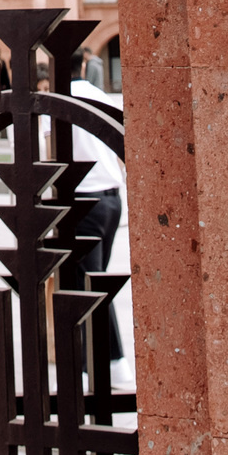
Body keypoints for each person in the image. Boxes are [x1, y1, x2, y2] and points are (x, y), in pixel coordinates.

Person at [69, 60, 131, 384]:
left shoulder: (59, 99)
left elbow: (49, 149)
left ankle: (87, 368)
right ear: (82, 63)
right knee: (96, 282)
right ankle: (114, 362)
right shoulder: (99, 95)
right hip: (111, 200)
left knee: (85, 287)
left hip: (85, 201)